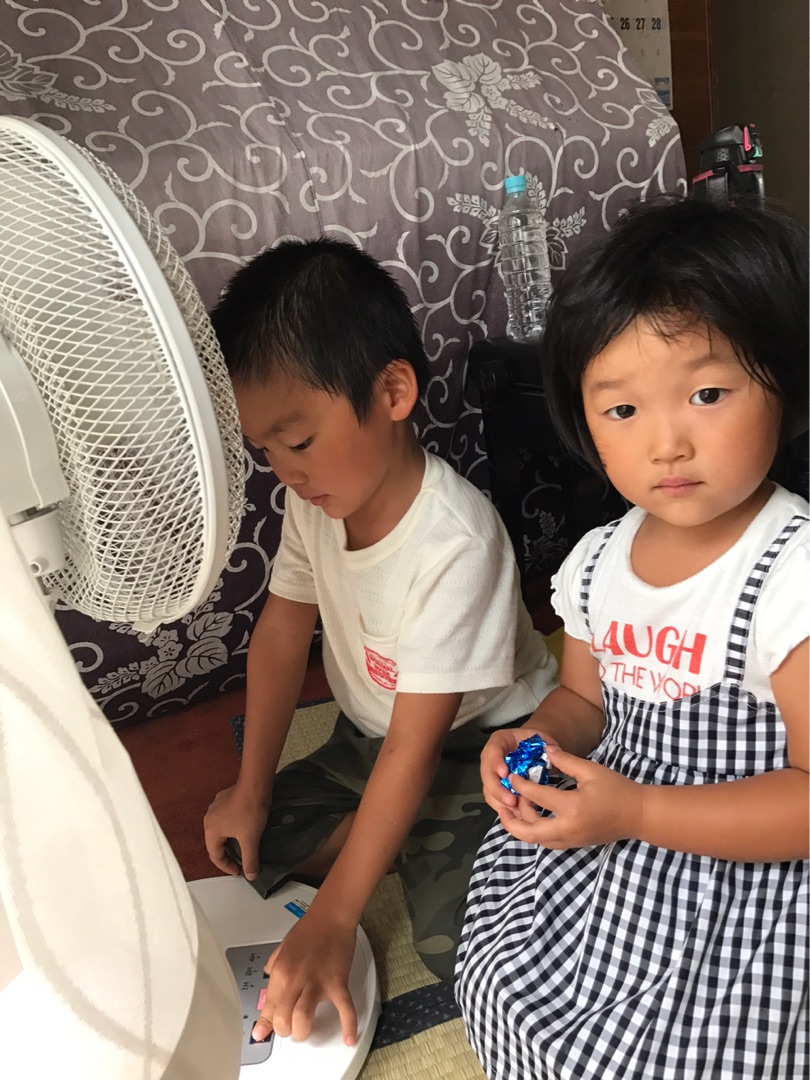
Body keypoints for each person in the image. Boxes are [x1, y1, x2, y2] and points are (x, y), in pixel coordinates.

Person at [456, 195, 809, 1078]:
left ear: (785, 385)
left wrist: (639, 812)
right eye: (622, 410)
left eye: (707, 394)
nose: (667, 444)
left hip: (751, 863)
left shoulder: (792, 573)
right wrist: (534, 740)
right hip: (616, 831)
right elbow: (584, 701)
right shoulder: (596, 562)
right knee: (503, 984)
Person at [202, 236, 558, 1047]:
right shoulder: (314, 503)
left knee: (458, 945)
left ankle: (417, 836)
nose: (286, 472)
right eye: (266, 451)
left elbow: (417, 746)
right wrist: (250, 788)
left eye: (298, 442)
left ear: (393, 391)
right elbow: (282, 632)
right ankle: (397, 834)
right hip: (371, 736)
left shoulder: (455, 542)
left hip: (480, 741)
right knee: (246, 842)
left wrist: (333, 918)